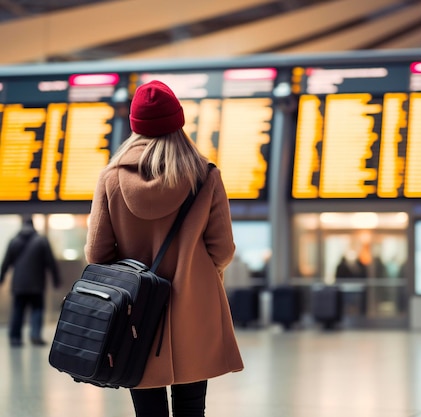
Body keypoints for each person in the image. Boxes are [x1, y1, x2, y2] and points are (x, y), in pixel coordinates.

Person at [84, 80, 243, 417]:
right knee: (191, 408)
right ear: (178, 123)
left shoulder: (110, 178)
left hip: (135, 314)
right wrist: (197, 272)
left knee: (148, 410)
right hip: (195, 309)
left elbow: (97, 254)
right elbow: (223, 248)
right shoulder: (204, 175)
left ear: (134, 126)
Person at [0, 215, 60, 347]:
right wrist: (56, 279)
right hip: (36, 283)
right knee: (37, 309)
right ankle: (35, 335)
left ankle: (15, 337)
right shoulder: (41, 241)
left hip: (19, 284)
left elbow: (6, 262)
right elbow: (50, 262)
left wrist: (1, 277)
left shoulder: (14, 241)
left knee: (18, 310)